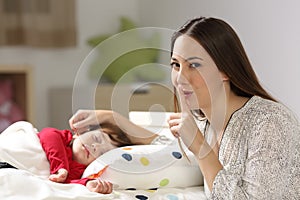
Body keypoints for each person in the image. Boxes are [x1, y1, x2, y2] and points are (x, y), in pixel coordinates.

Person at [69, 17, 300, 199]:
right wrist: (109, 117)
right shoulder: (203, 119)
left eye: (194, 65)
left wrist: (200, 147)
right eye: (176, 65)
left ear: (225, 71)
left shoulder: (269, 122)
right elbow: (165, 146)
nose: (180, 78)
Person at [38, 127, 115, 194]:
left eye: (101, 153)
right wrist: (61, 167)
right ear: (79, 133)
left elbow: (68, 183)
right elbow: (48, 134)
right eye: (96, 138)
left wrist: (87, 183)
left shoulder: (80, 172)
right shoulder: (64, 138)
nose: (95, 147)